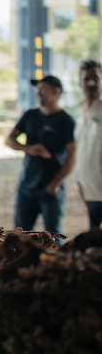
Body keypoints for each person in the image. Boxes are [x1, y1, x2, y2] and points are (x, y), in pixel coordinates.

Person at [5, 75, 76, 236]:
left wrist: (55, 184)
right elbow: (9, 139)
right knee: (19, 236)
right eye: (37, 90)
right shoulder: (31, 115)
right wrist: (29, 148)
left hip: (50, 189)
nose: (38, 93)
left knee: (53, 237)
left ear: (56, 92)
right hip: (26, 187)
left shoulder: (65, 121)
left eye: (43, 89)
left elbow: (71, 156)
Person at [75, 60, 102, 229]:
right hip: (90, 192)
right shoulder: (81, 113)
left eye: (96, 78)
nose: (92, 83)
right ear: (80, 83)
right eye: (87, 79)